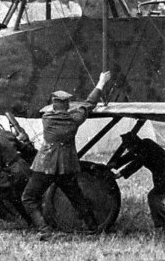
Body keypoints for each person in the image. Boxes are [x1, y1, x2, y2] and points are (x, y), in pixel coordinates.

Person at [21, 72, 111, 238]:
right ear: (68, 106)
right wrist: (100, 83)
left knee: (28, 198)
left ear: (53, 105)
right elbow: (89, 104)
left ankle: (44, 230)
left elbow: (53, 111)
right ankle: (93, 228)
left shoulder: (47, 118)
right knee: (77, 199)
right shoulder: (74, 119)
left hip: (45, 166)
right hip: (65, 167)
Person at [0, 110, 34, 231]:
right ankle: (31, 222)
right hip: (23, 168)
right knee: (16, 196)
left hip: (14, 173)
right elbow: (24, 148)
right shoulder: (7, 133)